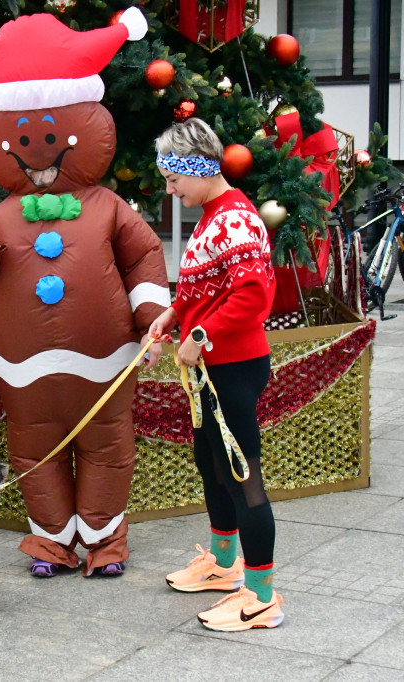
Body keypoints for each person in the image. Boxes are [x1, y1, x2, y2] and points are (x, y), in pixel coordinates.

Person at [0, 8, 167, 578]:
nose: (39, 152)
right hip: (23, 367)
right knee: (35, 449)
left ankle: (104, 541)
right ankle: (52, 541)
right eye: (23, 139)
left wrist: (149, 313)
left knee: (108, 446)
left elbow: (144, 255)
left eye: (53, 136)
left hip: (106, 360)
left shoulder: (110, 208)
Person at [148, 118, 283, 631]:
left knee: (243, 475)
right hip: (211, 369)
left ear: (198, 168)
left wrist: (199, 338)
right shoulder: (213, 215)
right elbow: (207, 285)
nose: (169, 188)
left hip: (233, 366)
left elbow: (252, 296)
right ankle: (225, 567)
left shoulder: (235, 219)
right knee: (211, 463)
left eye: (173, 177)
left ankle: (262, 595)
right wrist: (174, 315)